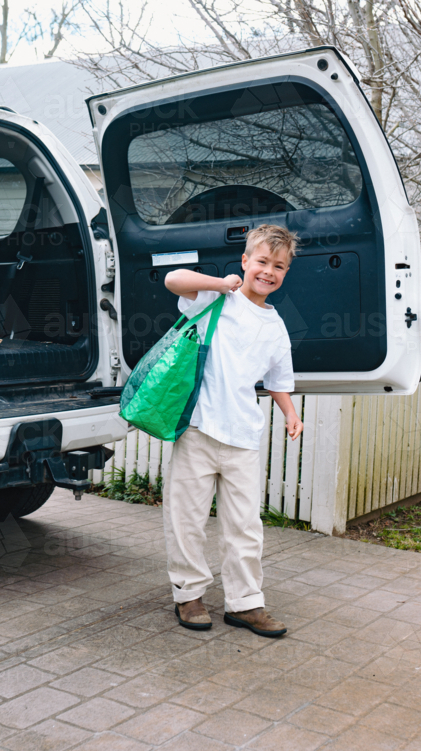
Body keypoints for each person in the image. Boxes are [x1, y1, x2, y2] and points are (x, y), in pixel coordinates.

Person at [162, 224, 302, 637]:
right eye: (262, 261)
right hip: (199, 431)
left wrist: (290, 413)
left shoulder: (277, 326)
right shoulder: (214, 301)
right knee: (185, 518)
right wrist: (221, 283)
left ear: (286, 272)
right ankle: (188, 594)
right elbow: (173, 280)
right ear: (245, 261)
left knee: (244, 526)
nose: (269, 271)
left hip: (243, 439)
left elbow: (279, 379)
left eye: (279, 266)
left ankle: (245, 604)